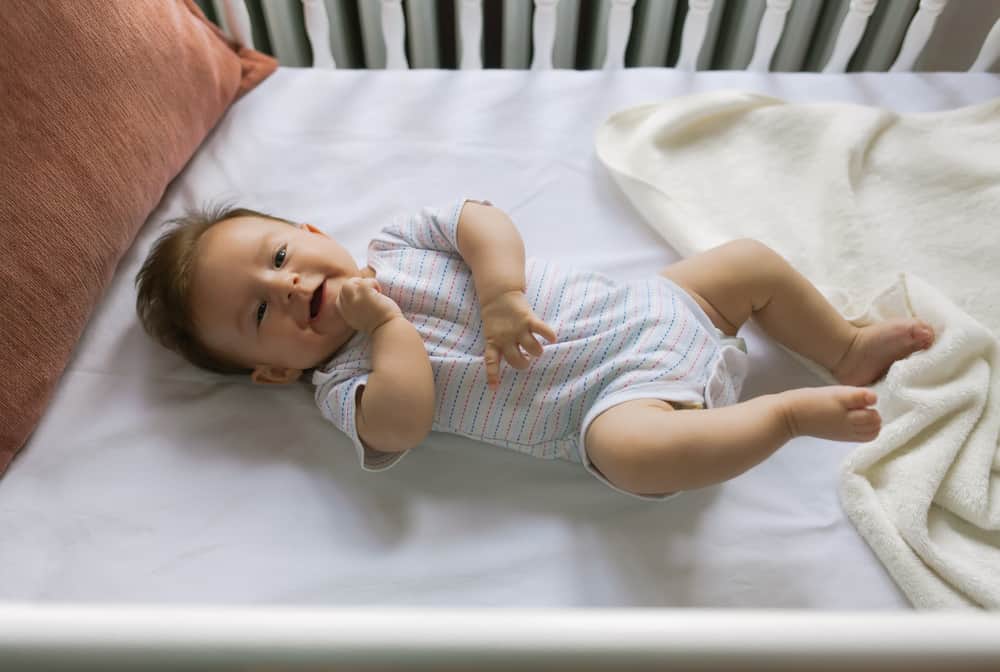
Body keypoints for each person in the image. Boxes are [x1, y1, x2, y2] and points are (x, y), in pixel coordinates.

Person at [135, 199, 934, 500]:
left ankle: (846, 344)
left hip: (661, 303)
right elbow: (403, 424)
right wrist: (383, 329)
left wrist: (501, 292)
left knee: (748, 260)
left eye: (277, 258)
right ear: (274, 370)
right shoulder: (343, 385)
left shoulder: (401, 241)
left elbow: (482, 219)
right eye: (258, 313)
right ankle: (783, 418)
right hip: (610, 404)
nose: (286, 288)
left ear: (309, 232)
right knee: (637, 461)